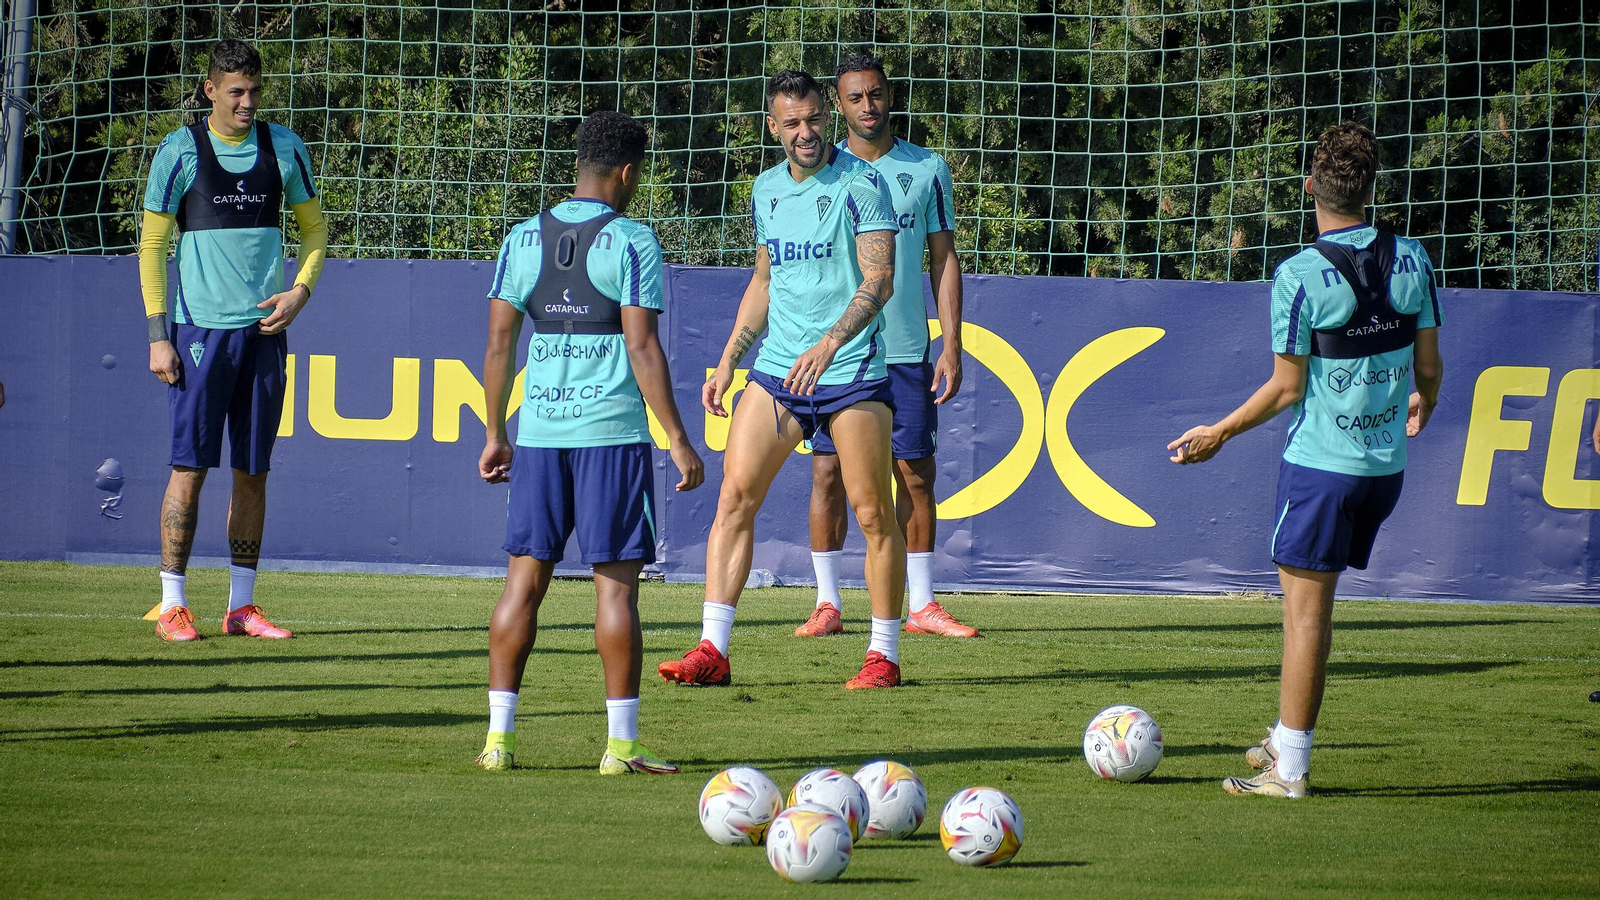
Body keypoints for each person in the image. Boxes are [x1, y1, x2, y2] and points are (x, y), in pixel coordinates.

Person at [1167, 122, 1443, 798]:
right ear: (1372, 188)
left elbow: (1287, 387)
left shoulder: (1299, 274)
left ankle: (1289, 772)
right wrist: (1421, 405)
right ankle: (1282, 737)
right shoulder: (1414, 259)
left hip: (1322, 469)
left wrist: (1220, 432)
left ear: (1311, 187)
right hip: (1384, 471)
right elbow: (1429, 370)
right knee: (1309, 612)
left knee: (1304, 618)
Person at [657, 70, 906, 690]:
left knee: (874, 514)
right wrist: (729, 358)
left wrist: (828, 345)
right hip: (779, 373)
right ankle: (712, 649)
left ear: (829, 117)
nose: (806, 132)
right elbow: (765, 282)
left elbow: (880, 282)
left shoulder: (862, 183)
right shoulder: (765, 191)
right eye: (791, 123)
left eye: (815, 119)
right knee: (734, 498)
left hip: (849, 371)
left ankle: (884, 655)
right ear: (773, 127)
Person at [476, 111, 704, 774]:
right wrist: (679, 439)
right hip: (611, 437)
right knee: (615, 593)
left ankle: (498, 741)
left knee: (523, 585)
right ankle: (622, 748)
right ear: (628, 172)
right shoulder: (633, 241)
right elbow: (641, 346)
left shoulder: (521, 238)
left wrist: (496, 432)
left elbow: (498, 343)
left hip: (540, 435)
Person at [140, 39, 327, 642]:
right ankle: (172, 604)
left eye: (255, 90)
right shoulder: (181, 151)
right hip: (197, 335)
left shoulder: (284, 147)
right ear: (210, 91)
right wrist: (158, 335)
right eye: (236, 92)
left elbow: (315, 229)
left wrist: (300, 291)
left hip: (264, 335)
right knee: (189, 469)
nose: (247, 103)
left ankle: (241, 607)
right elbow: (150, 247)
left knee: (252, 472)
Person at [796, 53, 977, 640]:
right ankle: (827, 602)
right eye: (855, 98)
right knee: (828, 476)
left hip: (903, 349)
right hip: (845, 355)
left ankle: (922, 605)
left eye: (876, 95)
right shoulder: (824, 172)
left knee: (916, 475)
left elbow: (943, 258)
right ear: (837, 106)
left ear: (888, 97)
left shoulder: (926, 169)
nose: (867, 107)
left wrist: (950, 343)